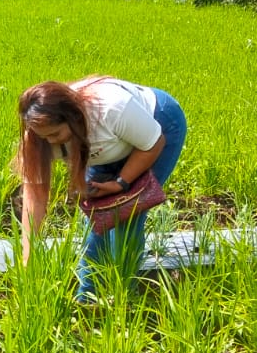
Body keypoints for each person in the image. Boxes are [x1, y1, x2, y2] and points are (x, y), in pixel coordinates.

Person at [16, 75, 187, 302]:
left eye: (55, 135)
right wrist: (29, 252)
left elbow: (153, 144)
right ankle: (87, 298)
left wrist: (120, 183)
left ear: (73, 119)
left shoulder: (112, 110)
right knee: (96, 218)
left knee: (128, 215)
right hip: (105, 146)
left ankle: (126, 296)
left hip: (157, 129)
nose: (50, 143)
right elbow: (35, 195)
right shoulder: (39, 135)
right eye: (43, 137)